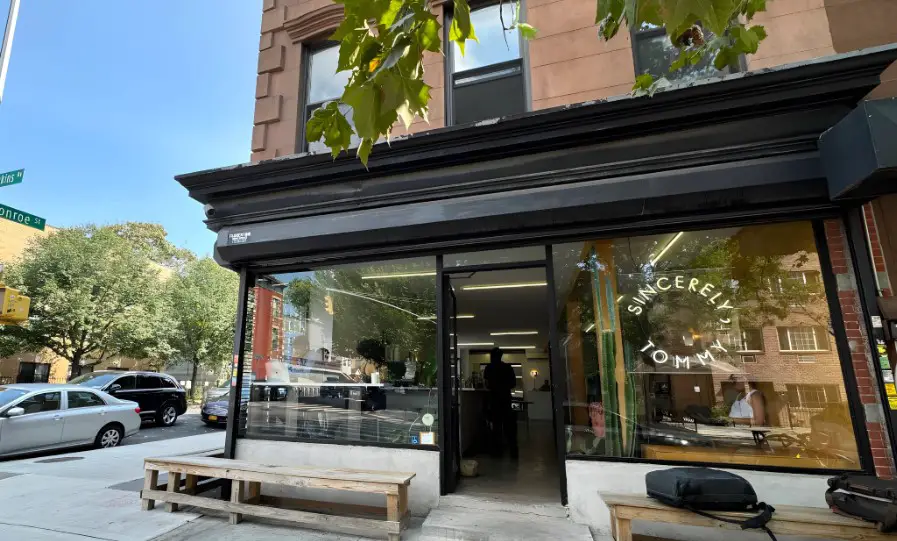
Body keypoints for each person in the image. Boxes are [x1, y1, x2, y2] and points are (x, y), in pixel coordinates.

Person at [483, 347, 518, 458]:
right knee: (509, 426)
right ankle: (513, 451)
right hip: (505, 398)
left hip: (494, 399)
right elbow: (513, 384)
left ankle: (497, 452)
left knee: (496, 426)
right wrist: (504, 387)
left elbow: (487, 384)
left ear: (492, 356)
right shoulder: (508, 368)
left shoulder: (489, 368)